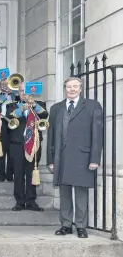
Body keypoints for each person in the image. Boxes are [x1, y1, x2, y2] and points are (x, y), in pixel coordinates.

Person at [47, 77, 103, 239]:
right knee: (64, 191)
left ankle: (80, 225)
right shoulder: (56, 108)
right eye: (68, 87)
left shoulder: (92, 106)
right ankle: (65, 224)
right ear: (65, 88)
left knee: (80, 192)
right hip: (61, 157)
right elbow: (51, 136)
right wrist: (51, 160)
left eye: (75, 87)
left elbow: (97, 134)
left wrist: (95, 159)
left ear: (80, 89)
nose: (71, 89)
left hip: (83, 157)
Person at [5, 84, 48, 212]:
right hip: (17, 144)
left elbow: (45, 115)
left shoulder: (40, 104)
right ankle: (19, 201)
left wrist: (34, 105)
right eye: (21, 91)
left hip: (33, 143)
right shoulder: (11, 105)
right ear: (18, 93)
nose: (23, 93)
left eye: (26, 90)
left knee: (31, 172)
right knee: (18, 173)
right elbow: (9, 118)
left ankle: (31, 201)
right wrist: (22, 108)